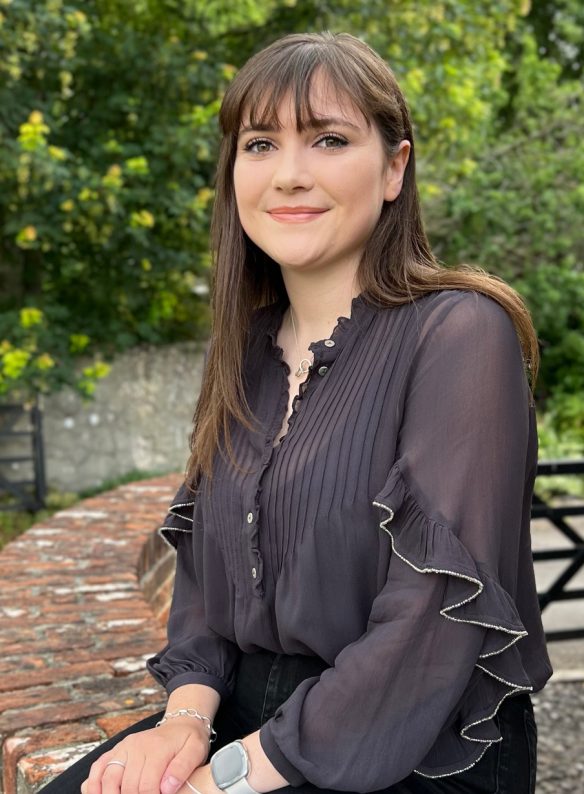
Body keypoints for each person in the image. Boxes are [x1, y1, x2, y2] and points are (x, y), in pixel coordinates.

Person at [39, 30, 552, 794]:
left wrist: (230, 778)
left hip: (416, 741)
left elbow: (434, 620)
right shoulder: (244, 352)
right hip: (246, 714)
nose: (288, 175)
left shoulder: (459, 333)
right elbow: (207, 591)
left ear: (394, 167)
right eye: (259, 144)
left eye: (329, 139)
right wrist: (182, 724)